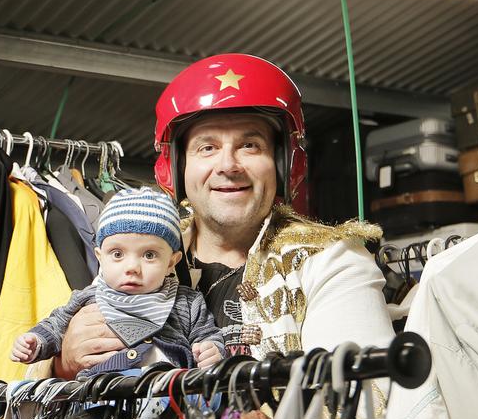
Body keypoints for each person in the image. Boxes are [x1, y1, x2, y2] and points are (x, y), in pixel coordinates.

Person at [54, 53, 394, 379]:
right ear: (177, 168)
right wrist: (62, 364)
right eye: (207, 147)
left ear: (284, 164)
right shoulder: (139, 251)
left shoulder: (333, 262)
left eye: (250, 145)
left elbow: (359, 397)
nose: (228, 166)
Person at [12, 188, 224, 378]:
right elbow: (56, 326)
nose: (132, 267)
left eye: (149, 255)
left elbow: (206, 334)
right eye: (117, 253)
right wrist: (36, 342)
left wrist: (211, 349)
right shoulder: (88, 297)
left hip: (167, 397)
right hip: (99, 397)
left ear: (171, 262)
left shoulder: (187, 302)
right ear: (100, 257)